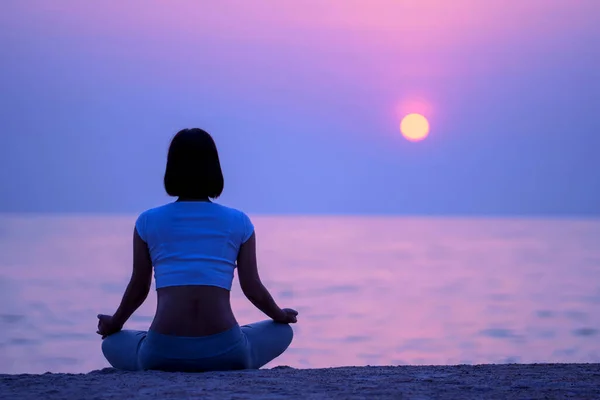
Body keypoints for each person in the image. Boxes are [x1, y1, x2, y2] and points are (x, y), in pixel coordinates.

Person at [97, 128, 298, 372]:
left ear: (171, 169)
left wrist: (114, 323)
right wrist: (279, 315)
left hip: (162, 353)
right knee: (281, 331)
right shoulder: (239, 222)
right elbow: (252, 288)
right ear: (215, 169)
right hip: (227, 352)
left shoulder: (148, 221)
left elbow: (139, 287)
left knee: (112, 343)